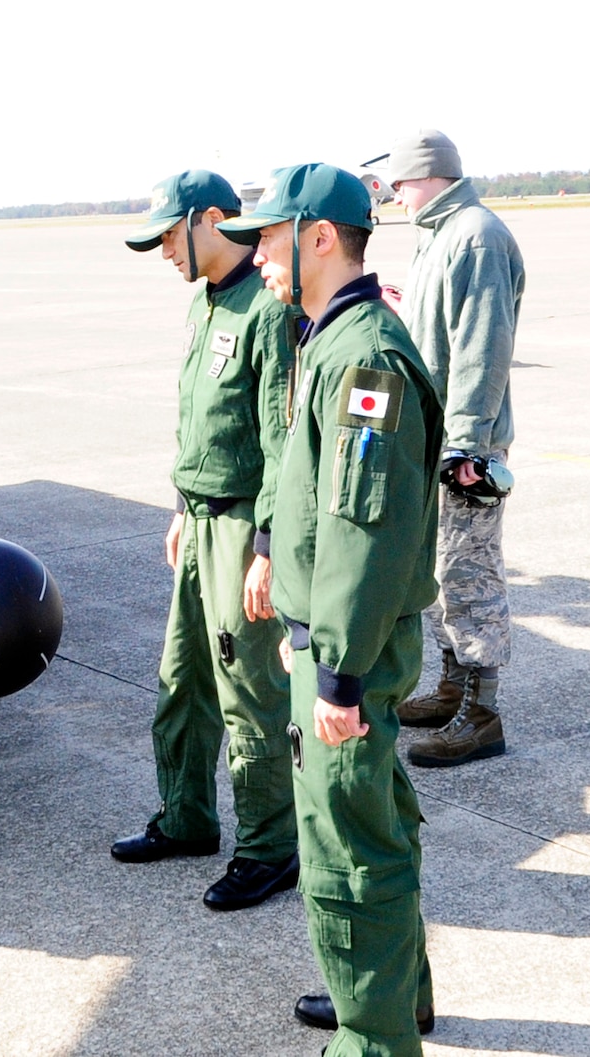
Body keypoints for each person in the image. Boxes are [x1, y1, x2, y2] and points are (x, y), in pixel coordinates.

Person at [218, 163, 442, 1055]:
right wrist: (275, 552)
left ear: (318, 237)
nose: (256, 253)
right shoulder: (329, 335)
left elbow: (364, 526)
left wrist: (336, 669)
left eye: (268, 237)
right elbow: (316, 490)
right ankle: (398, 997)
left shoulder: (364, 355)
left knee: (350, 850)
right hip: (337, 639)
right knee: (376, 817)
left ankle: (373, 1038)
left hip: (351, 650)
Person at [112, 170, 301, 911]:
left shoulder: (266, 308)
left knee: (248, 691)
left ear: (212, 219)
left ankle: (268, 849)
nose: (162, 252)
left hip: (240, 528)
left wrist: (266, 543)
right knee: (182, 678)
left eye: (167, 235)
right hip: (198, 521)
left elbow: (281, 439)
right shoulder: (205, 302)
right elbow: (203, 423)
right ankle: (186, 818)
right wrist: (181, 507)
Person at [382, 129, 526, 769]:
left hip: (463, 449)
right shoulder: (439, 235)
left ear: (429, 176)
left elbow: (482, 348)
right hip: (435, 439)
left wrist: (465, 444)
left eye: (401, 183)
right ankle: (450, 688)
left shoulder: (475, 236)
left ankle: (482, 713)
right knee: (443, 573)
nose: (396, 195)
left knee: (472, 578)